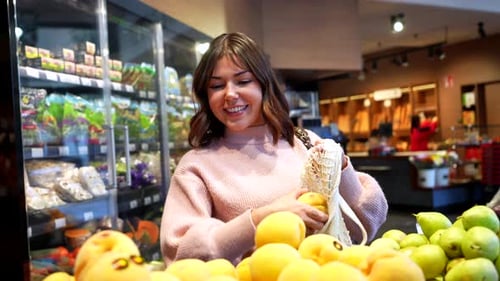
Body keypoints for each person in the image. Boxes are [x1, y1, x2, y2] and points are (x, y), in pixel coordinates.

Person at [159, 32, 388, 266]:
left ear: (263, 84)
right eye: (217, 86)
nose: (229, 94)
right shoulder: (197, 165)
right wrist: (262, 218)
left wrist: (341, 168)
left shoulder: (305, 142)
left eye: (243, 81)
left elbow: (365, 226)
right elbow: (179, 256)